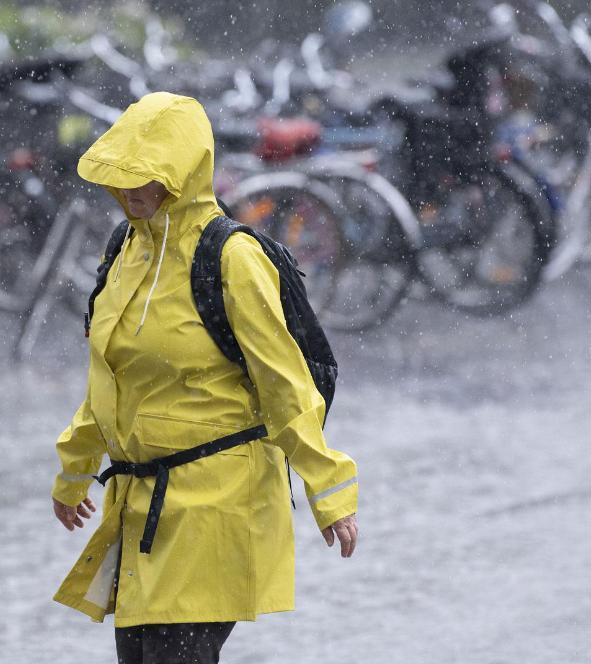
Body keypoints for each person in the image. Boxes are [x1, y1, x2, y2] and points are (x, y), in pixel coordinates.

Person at [49, 91, 359, 664]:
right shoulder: (124, 251)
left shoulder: (232, 258)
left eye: (148, 176)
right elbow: (111, 379)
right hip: (142, 505)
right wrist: (75, 471)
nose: (132, 191)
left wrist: (330, 489)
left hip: (218, 504)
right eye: (124, 176)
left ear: (186, 171)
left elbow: (284, 385)